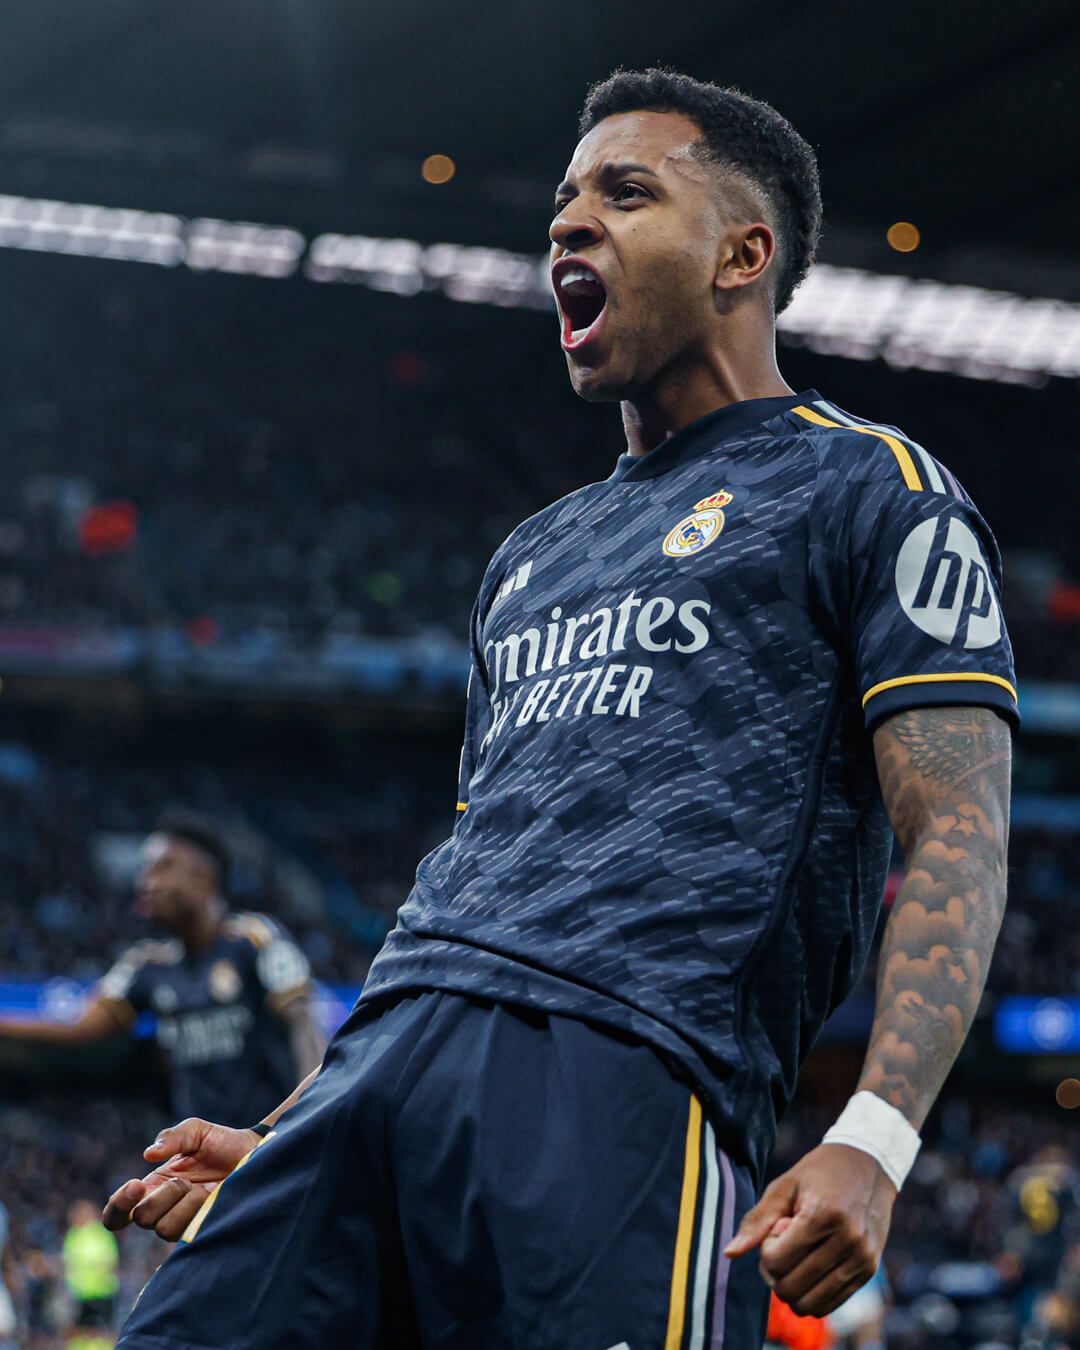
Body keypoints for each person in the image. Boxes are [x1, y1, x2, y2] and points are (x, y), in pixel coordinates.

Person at [107, 69, 1016, 1349]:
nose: (568, 223)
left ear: (742, 255)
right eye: (563, 202)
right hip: (375, 1070)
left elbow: (962, 835)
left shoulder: (871, 487)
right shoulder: (532, 553)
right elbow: (478, 870)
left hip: (624, 1069)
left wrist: (875, 1135)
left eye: (625, 193)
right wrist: (303, 1113)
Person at [0, 811, 323, 1127]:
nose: (145, 881)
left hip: (270, 1145)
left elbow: (304, 1023)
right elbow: (80, 1026)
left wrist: (309, 1113)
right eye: (145, 870)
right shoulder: (146, 965)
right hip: (200, 1158)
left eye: (161, 867)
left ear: (203, 879)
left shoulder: (254, 939)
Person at [61, 1200, 119, 1346]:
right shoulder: (73, 1234)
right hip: (79, 1292)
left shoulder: (100, 1234)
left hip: (101, 1292)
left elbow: (110, 1262)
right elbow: (68, 1263)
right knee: (78, 1331)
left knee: (100, 1331)